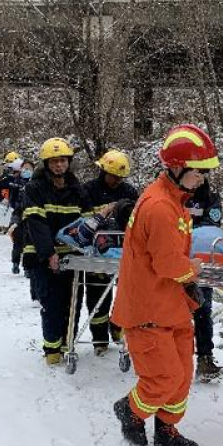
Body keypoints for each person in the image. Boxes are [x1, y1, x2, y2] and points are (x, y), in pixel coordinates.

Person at [112, 124, 219, 446]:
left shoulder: (174, 200)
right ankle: (130, 411)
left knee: (182, 375)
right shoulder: (160, 207)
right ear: (176, 167)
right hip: (148, 309)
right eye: (198, 171)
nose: (202, 178)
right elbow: (167, 264)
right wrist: (193, 269)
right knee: (163, 378)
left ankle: (166, 430)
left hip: (169, 304)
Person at [22, 138, 85, 365]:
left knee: (73, 302)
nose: (59, 165)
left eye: (63, 161)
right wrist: (49, 253)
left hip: (71, 256)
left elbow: (86, 222)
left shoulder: (77, 189)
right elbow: (37, 223)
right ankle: (51, 349)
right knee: (52, 303)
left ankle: (68, 342)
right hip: (42, 256)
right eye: (54, 161)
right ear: (46, 163)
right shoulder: (35, 189)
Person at [81, 149, 139, 356]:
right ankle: (99, 339)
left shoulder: (130, 193)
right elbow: (84, 220)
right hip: (96, 252)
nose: (116, 181)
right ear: (103, 171)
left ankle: (117, 326)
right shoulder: (88, 190)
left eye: (120, 177)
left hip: (123, 251)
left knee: (125, 294)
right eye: (113, 176)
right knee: (97, 295)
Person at [186, 179, 223, 381]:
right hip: (172, 260)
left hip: (200, 261)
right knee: (167, 310)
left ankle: (204, 358)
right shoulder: (173, 195)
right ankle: (169, 360)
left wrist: (188, 236)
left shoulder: (210, 199)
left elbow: (212, 228)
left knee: (202, 310)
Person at [8, 159, 34, 275]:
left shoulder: (36, 183)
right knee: (17, 241)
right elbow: (12, 200)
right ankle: (15, 263)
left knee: (29, 242)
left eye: (29, 169)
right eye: (25, 168)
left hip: (32, 215)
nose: (27, 171)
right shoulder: (16, 182)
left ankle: (27, 268)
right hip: (18, 214)